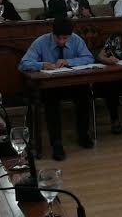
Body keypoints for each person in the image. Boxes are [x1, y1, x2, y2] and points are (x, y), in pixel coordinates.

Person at [18, 18, 95, 161]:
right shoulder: (41, 42)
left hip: (72, 84)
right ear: (52, 34)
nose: (61, 41)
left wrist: (68, 61)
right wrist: (42, 65)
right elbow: (23, 64)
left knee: (84, 95)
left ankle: (83, 136)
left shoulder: (76, 40)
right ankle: (56, 144)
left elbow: (89, 58)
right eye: (58, 38)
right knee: (51, 102)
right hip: (50, 86)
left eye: (65, 38)